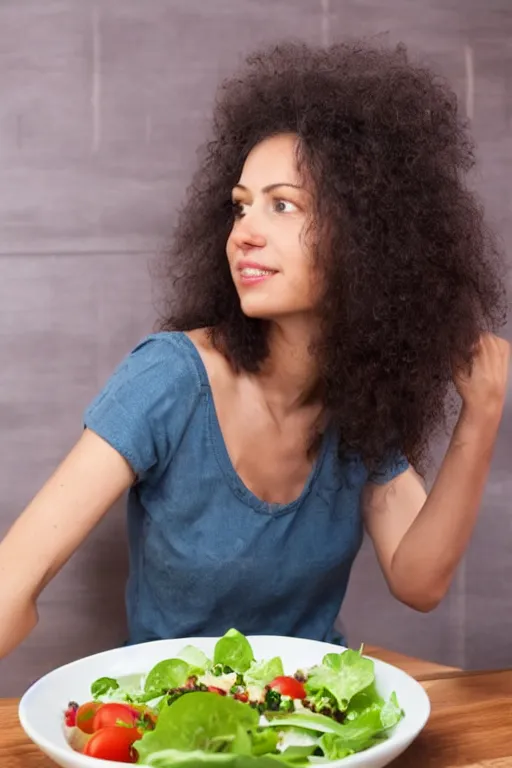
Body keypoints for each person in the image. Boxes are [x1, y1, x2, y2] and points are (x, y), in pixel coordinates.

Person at [0, 40, 509, 660]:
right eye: (241, 207)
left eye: (283, 205)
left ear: (368, 238)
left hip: (310, 731)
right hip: (171, 732)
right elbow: (12, 582)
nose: (244, 233)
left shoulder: (355, 410)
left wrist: (481, 414)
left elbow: (419, 581)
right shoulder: (168, 377)